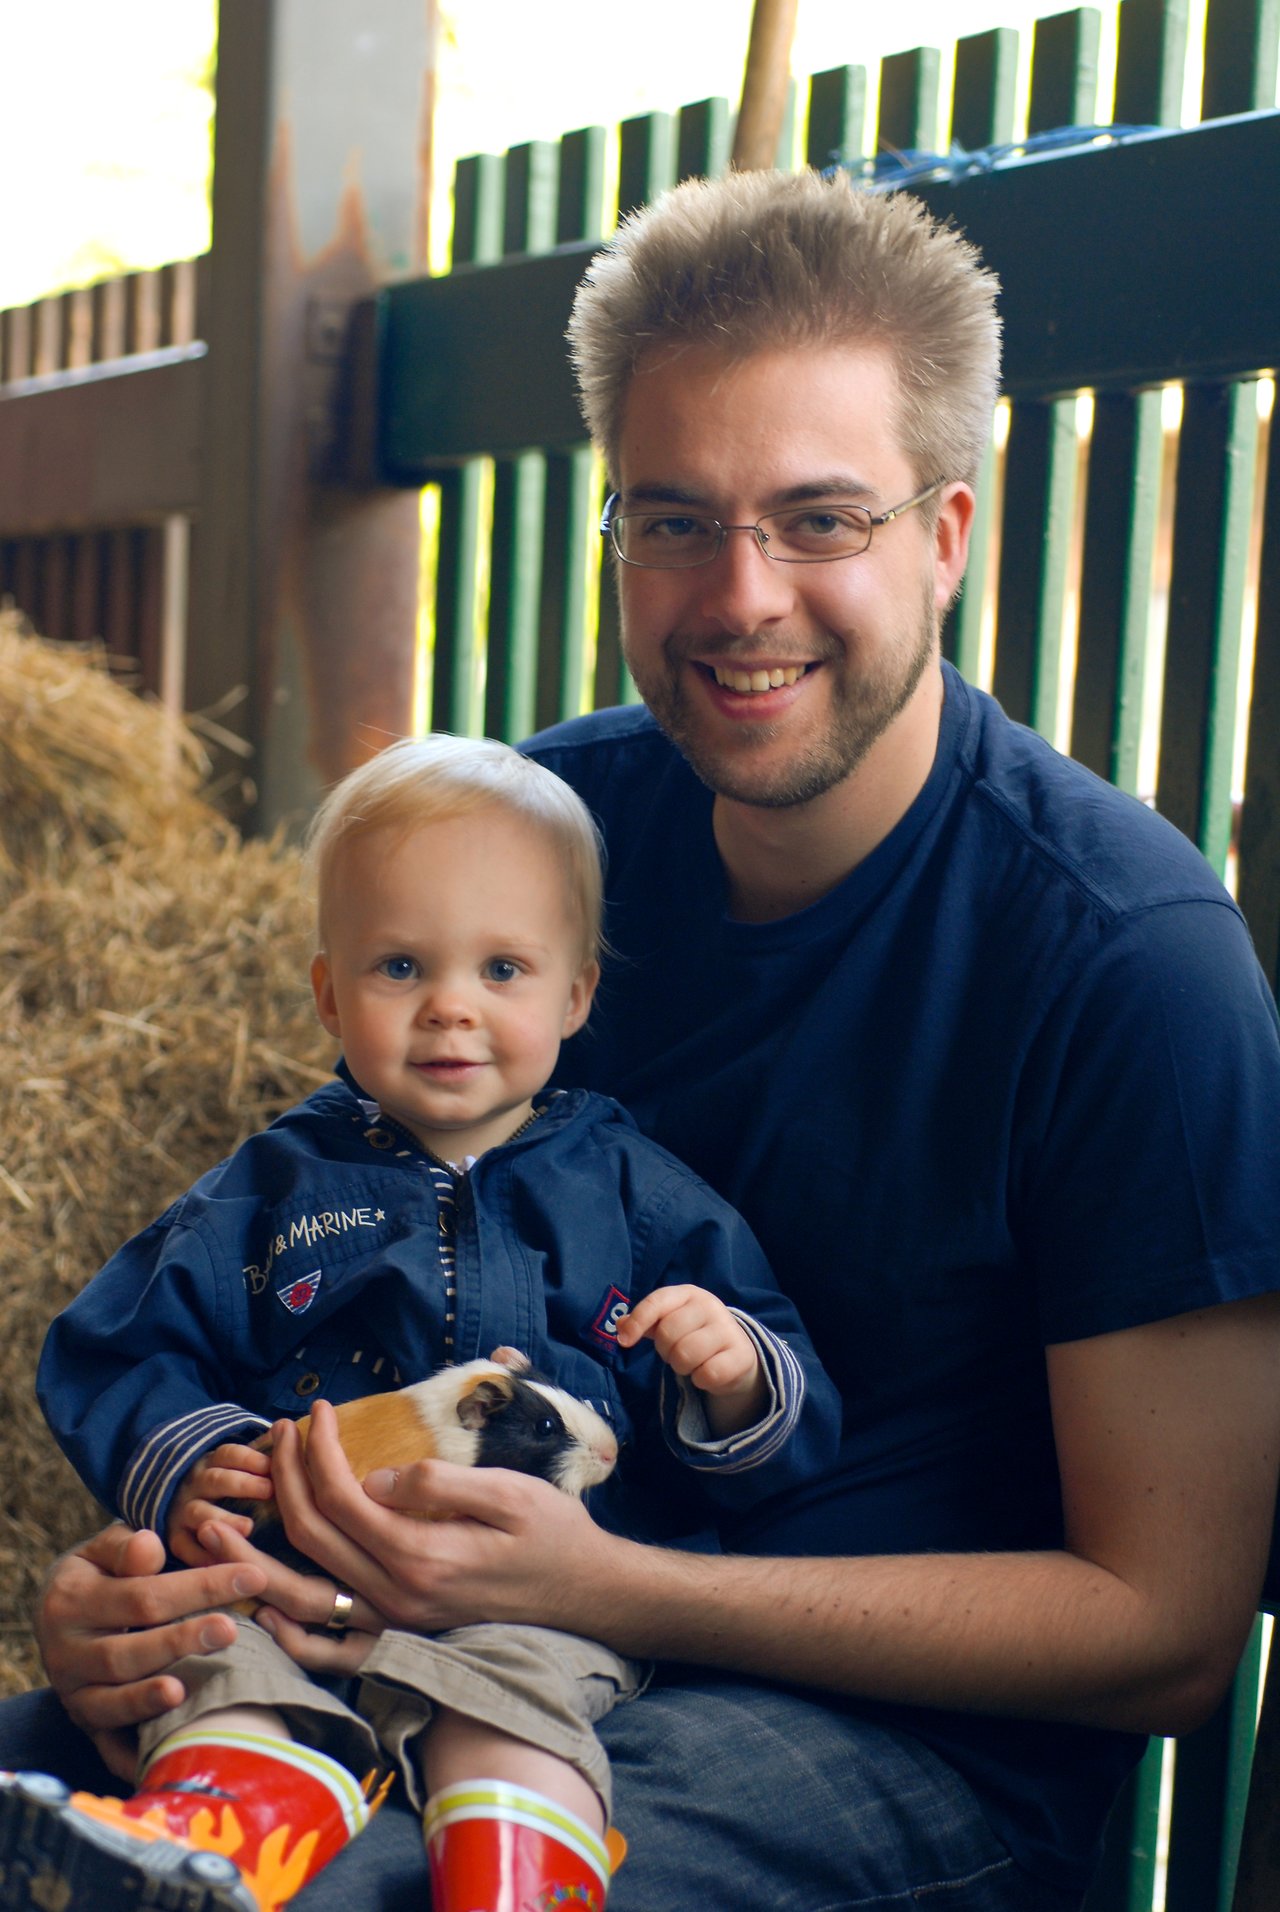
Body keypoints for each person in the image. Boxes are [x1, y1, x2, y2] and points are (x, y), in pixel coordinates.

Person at [6, 165, 1280, 1912]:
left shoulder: (1128, 963)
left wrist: (608, 1585)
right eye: (674, 518)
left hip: (886, 1728)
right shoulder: (550, 837)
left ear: (949, 536)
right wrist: (151, 1600)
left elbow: (1168, 1633)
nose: (739, 594)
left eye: (820, 518)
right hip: (442, 1632)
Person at [14, 733, 839, 1911]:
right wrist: (195, 1468)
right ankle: (219, 1830)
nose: (451, 1006)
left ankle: (518, 1871)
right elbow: (115, 1343)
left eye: (502, 969)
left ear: (576, 992)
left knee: (514, 1704)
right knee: (210, 1664)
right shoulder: (271, 1187)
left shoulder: (633, 1190)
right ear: (327, 992)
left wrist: (733, 1378)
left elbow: (786, 1408)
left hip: (532, 1600)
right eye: (400, 966)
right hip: (289, 1578)